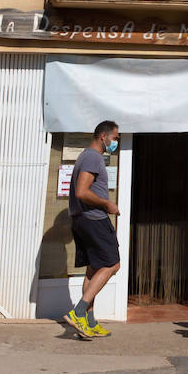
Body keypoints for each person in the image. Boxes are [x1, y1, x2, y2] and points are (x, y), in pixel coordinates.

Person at [63, 120, 121, 339]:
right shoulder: (92, 157)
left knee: (93, 269)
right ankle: (78, 312)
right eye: (115, 138)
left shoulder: (87, 156)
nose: (116, 142)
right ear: (103, 136)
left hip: (82, 219)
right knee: (112, 264)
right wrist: (107, 205)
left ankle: (88, 321)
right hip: (93, 219)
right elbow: (81, 192)